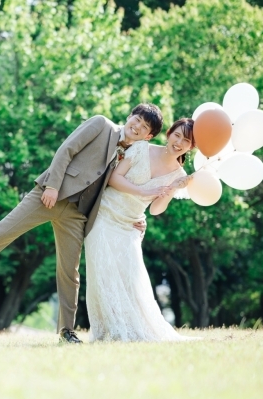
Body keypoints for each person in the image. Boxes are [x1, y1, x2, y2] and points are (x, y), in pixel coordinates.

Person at [0, 104, 164, 343]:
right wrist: (52, 186)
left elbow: (119, 191)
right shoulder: (101, 124)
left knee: (69, 271)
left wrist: (136, 218)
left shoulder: (132, 155)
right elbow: (66, 150)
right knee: (1, 233)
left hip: (77, 214)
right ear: (129, 116)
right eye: (137, 120)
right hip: (49, 196)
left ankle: (67, 331)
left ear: (148, 136)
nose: (137, 127)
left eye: (144, 127)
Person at [84, 117, 197, 342]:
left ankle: (131, 330)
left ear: (191, 147)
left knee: (132, 280)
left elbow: (156, 209)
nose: (179, 142)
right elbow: (114, 179)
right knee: (102, 276)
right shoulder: (141, 147)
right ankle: (109, 331)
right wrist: (142, 191)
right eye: (177, 135)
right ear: (169, 133)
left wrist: (172, 189)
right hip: (104, 216)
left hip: (130, 225)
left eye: (186, 140)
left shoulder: (179, 176)